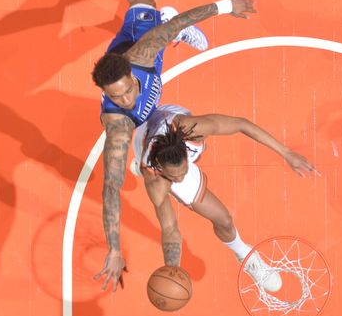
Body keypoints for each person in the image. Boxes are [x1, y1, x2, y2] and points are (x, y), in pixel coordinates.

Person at [79, 0, 257, 291]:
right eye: (119, 97)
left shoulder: (142, 55)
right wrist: (114, 248)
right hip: (143, 126)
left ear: (130, 75)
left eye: (128, 90)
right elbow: (111, 188)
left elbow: (181, 22)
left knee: (144, 1)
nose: (128, 98)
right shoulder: (118, 124)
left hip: (143, 47)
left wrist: (227, 5)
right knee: (131, 164)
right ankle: (160, 8)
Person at [130, 104, 317, 292]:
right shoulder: (155, 179)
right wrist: (172, 270)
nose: (180, 179)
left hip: (169, 118)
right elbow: (170, 228)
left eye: (184, 171)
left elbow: (240, 124)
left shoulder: (192, 129)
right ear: (161, 169)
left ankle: (243, 253)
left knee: (225, 222)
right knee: (219, 217)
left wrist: (286, 153)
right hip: (144, 143)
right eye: (174, 177)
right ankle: (138, 165)